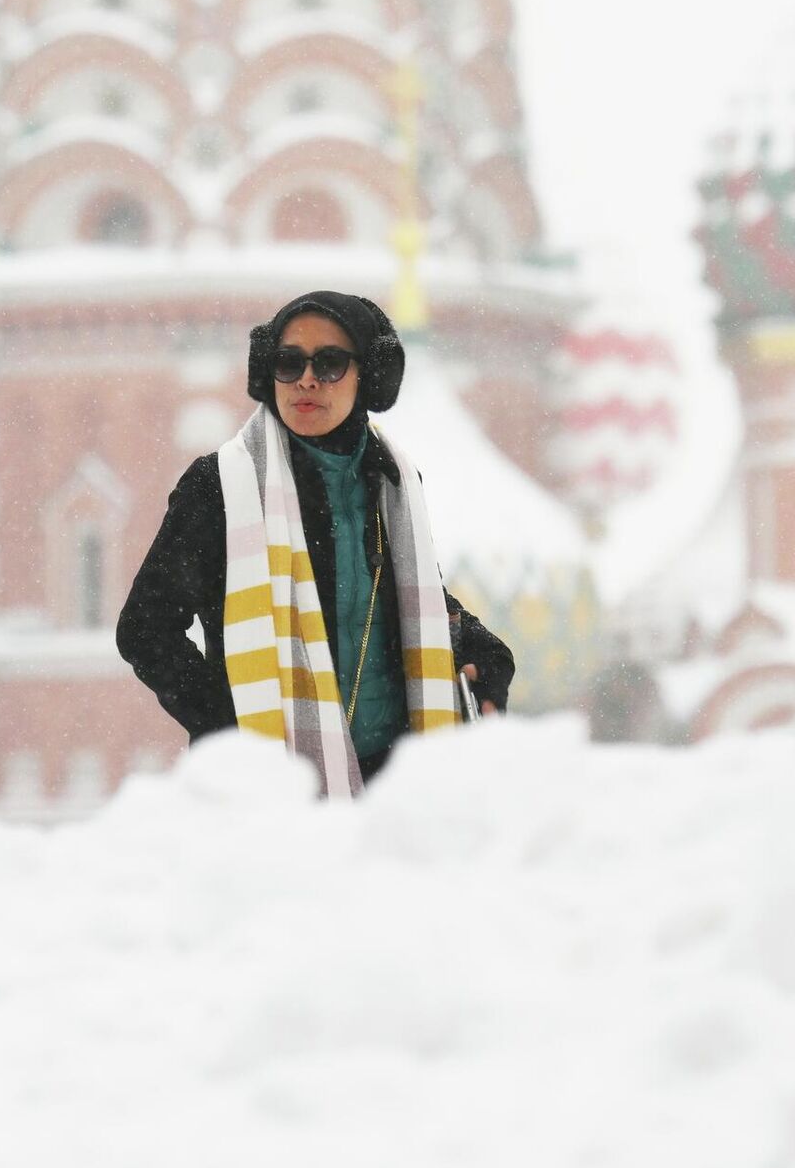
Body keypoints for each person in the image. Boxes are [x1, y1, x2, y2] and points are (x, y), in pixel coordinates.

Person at [115, 290, 515, 797]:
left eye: (329, 363)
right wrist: (229, 726)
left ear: (369, 375)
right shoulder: (222, 486)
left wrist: (483, 651)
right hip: (274, 789)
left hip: (397, 780)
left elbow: (407, 601)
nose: (306, 379)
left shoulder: (392, 480)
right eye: (289, 362)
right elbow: (145, 629)